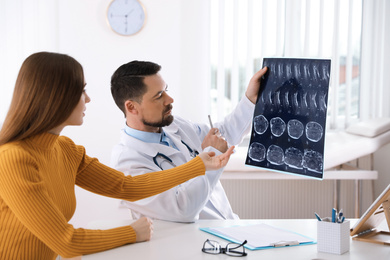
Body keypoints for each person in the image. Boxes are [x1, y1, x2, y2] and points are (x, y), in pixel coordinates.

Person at [0, 52, 235, 260]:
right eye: (81, 91)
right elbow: (67, 242)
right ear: (56, 97)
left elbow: (126, 186)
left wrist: (198, 166)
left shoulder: (65, 149)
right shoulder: (12, 159)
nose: (88, 99)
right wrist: (133, 232)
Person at [110, 60, 267, 222]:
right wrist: (209, 159)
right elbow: (182, 209)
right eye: (158, 96)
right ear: (131, 107)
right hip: (190, 243)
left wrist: (250, 99)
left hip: (227, 226)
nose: (170, 99)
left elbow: (222, 135)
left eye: (166, 90)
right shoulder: (127, 164)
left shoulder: (175, 125)